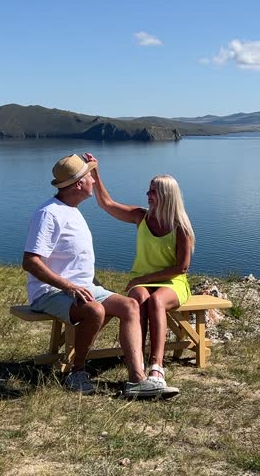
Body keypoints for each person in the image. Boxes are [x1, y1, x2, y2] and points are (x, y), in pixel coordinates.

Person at [22, 153, 179, 398]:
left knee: (130, 306)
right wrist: (68, 286)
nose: (92, 182)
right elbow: (30, 262)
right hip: (50, 292)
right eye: (89, 177)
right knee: (94, 310)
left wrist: (78, 287)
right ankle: (77, 371)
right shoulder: (49, 214)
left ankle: (137, 380)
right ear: (78, 184)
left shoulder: (71, 210)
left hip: (83, 288)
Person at [85, 153, 194, 389]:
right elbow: (107, 204)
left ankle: (157, 365)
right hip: (143, 281)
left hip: (173, 282)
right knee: (138, 297)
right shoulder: (141, 216)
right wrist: (95, 173)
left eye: (153, 191)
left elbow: (181, 267)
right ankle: (137, 365)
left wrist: (143, 278)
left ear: (166, 195)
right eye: (149, 189)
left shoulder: (181, 226)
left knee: (155, 301)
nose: (147, 194)